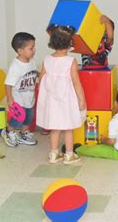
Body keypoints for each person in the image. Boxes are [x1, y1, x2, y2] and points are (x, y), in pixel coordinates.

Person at [37, 25, 87, 165]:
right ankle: (69, 155)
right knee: (68, 128)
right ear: (70, 43)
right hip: (66, 99)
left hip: (52, 100)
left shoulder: (47, 59)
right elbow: (76, 82)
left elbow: (41, 79)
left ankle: (53, 154)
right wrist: (81, 99)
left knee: (55, 127)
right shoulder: (71, 61)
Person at [75, 87, 118, 160]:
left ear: (115, 103)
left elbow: (111, 141)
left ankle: (78, 149)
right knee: (108, 146)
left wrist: (103, 140)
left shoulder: (115, 120)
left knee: (98, 149)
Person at [1, 32, 39, 147]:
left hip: (29, 97)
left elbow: (33, 72)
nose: (34, 50)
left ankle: (24, 133)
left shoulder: (31, 62)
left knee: (29, 117)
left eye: (34, 47)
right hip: (18, 98)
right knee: (18, 118)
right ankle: (8, 131)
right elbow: (8, 84)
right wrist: (10, 98)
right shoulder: (15, 67)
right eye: (31, 48)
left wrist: (40, 74)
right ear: (20, 51)